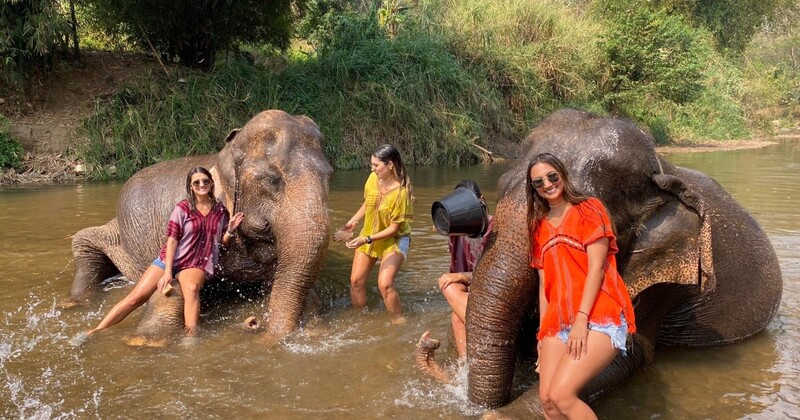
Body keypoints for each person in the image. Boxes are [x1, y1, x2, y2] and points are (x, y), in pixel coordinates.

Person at [73, 167, 244, 344]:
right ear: (191, 187)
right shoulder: (183, 209)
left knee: (191, 289)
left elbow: (221, 243)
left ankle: (191, 337)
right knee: (135, 298)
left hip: (197, 263)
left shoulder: (220, 212)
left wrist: (230, 230)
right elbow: (171, 241)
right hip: (171, 260)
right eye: (197, 182)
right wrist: (168, 272)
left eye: (205, 181)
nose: (202, 185)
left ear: (211, 183)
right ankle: (95, 331)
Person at [527, 153, 636, 419]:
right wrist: (542, 335)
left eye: (552, 176)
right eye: (539, 182)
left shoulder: (589, 208)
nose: (548, 184)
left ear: (562, 174)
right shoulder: (538, 226)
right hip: (557, 319)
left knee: (563, 396)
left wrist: (581, 321)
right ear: (534, 189)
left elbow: (597, 270)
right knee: (547, 400)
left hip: (598, 314)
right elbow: (544, 286)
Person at [343, 144, 413, 322]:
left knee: (385, 284)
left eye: (376, 165)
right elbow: (369, 203)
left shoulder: (401, 193)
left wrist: (365, 239)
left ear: (390, 165)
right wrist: (354, 220)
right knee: (356, 282)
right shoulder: (372, 179)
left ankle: (398, 320)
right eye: (372, 165)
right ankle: (362, 318)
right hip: (370, 235)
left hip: (394, 239)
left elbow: (393, 229)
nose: (372, 168)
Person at [437, 179, 494, 359]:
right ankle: (465, 365)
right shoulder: (459, 230)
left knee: (456, 317)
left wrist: (461, 275)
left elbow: (495, 275)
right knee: (447, 284)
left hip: (493, 290)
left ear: (481, 201)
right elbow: (436, 224)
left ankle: (485, 330)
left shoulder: (497, 229)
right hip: (472, 290)